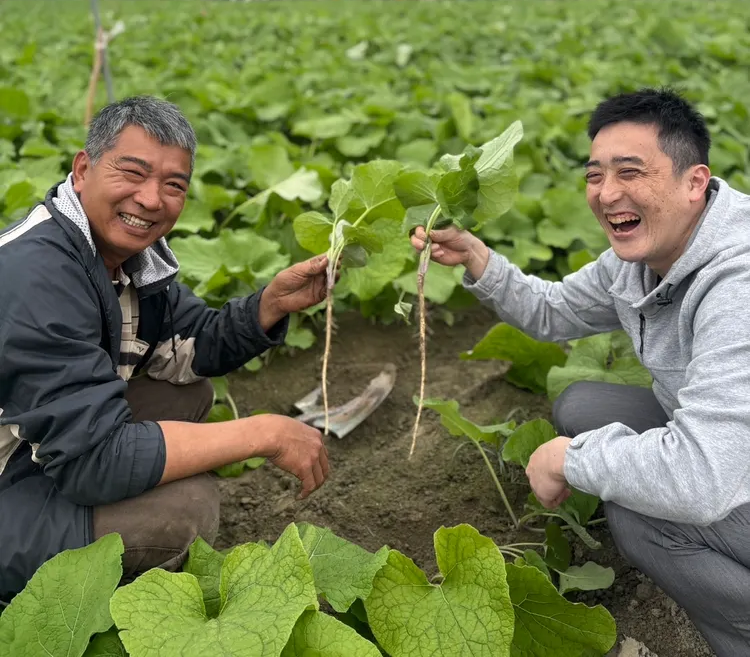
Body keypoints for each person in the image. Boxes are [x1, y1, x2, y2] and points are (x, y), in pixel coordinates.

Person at [412, 88, 750, 657]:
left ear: (696, 182)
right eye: (595, 175)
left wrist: (572, 459)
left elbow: (703, 475)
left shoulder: (737, 282)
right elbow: (552, 310)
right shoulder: (643, 257)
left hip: (720, 464)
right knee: (583, 409)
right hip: (730, 448)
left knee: (641, 515)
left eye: (631, 171)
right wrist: (475, 256)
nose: (607, 193)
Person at [0, 97, 330, 602]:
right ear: (84, 169)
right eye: (132, 173)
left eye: (173, 185)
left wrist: (270, 304)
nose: (151, 199)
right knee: (182, 511)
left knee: (185, 392)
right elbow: (95, 462)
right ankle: (42, 593)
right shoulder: (36, 274)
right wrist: (263, 433)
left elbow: (192, 341)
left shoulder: (123, 256)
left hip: (29, 446)